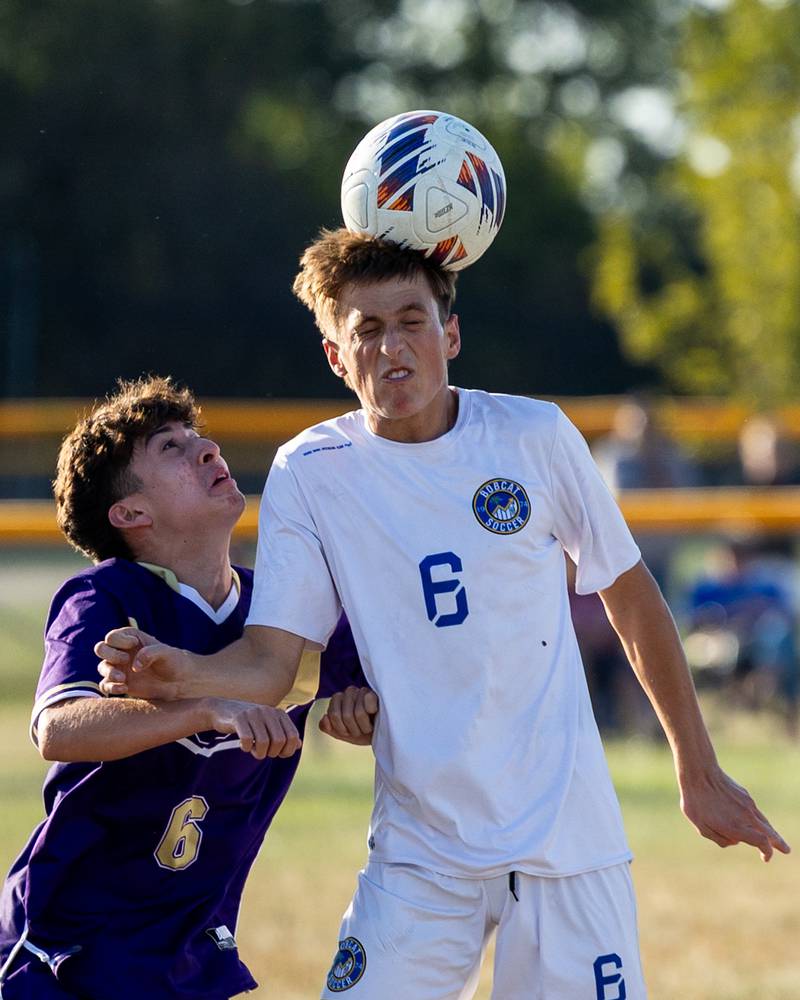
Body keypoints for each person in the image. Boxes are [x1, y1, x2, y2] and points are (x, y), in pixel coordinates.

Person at [98, 235, 790, 1000]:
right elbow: (271, 664)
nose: (393, 347)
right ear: (335, 356)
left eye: (412, 321)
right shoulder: (309, 472)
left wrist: (697, 768)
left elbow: (632, 601)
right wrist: (178, 672)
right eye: (366, 330)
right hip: (419, 855)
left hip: (567, 841)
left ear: (451, 334)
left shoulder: (535, 436)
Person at [0, 375, 374, 1000]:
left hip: (191, 954)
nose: (207, 449)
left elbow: (385, 691)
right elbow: (57, 729)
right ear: (131, 514)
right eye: (170, 447)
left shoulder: (281, 610)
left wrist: (363, 709)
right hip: (72, 951)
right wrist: (204, 707)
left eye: (197, 436)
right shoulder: (108, 596)